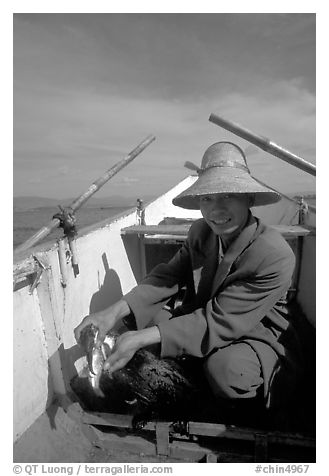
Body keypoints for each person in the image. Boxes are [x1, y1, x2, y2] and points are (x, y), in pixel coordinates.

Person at [75, 141, 302, 413]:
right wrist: (111, 312)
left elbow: (220, 321)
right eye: (207, 198)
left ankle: (240, 410)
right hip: (207, 318)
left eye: (228, 196)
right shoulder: (200, 232)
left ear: (249, 199)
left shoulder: (274, 254)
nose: (216, 210)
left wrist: (140, 338)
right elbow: (167, 277)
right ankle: (195, 371)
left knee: (228, 372)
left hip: (254, 332)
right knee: (148, 321)